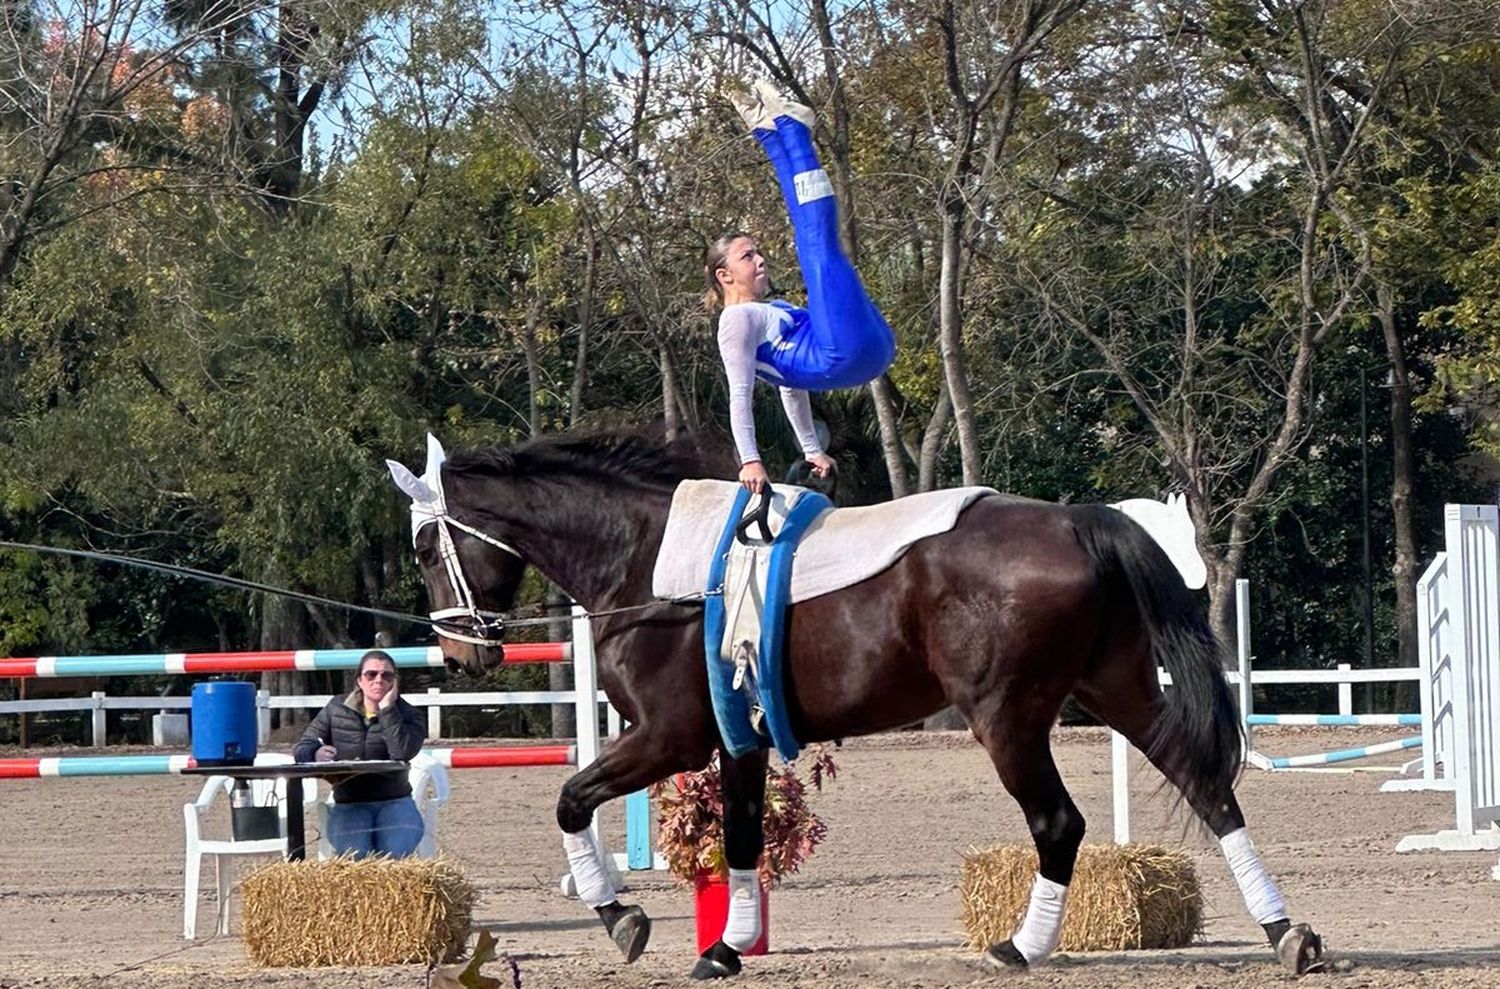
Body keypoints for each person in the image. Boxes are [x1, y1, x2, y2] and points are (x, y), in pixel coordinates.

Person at [707, 79, 896, 494]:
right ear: (724, 276)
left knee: (814, 237)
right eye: (747, 257)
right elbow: (740, 396)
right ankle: (792, 131)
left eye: (758, 253)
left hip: (870, 350)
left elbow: (792, 388)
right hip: (846, 355)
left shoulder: (773, 310)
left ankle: (770, 133)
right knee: (816, 244)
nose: (760, 260)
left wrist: (812, 449)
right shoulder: (735, 322)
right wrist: (751, 461)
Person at [293, 649, 427, 858]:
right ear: (359, 680)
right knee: (355, 857)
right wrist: (315, 752)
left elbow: (402, 752)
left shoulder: (410, 715)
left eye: (387, 675)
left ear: (395, 682)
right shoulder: (335, 708)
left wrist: (387, 709)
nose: (378, 680)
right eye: (371, 674)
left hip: (395, 801)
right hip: (349, 803)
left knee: (393, 857)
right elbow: (302, 747)